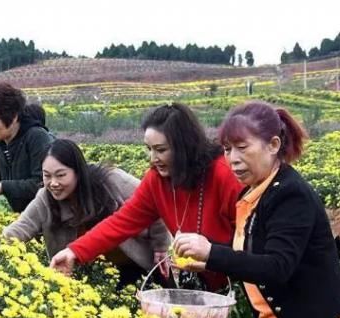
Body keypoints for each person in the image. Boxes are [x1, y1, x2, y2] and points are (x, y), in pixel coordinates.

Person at [172, 101, 340, 318]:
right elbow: (254, 253)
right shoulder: (254, 194)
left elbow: (277, 266)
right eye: (227, 149)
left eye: (242, 147)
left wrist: (212, 252)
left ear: (273, 145)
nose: (233, 159)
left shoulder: (290, 194)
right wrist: (207, 262)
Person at [50, 103, 241, 291]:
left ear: (185, 146)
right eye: (149, 149)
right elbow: (121, 222)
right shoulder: (157, 180)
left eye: (161, 150)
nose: (152, 158)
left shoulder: (224, 174)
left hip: (242, 283)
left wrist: (215, 258)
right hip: (204, 285)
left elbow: (253, 243)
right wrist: (74, 251)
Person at [3, 139, 168, 285]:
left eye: (61, 175)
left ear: (78, 172)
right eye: (47, 176)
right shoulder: (46, 198)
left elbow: (153, 203)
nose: (53, 183)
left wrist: (160, 246)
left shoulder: (111, 180)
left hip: (134, 265)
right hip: (86, 277)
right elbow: (21, 227)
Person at [0, 83, 53, 212]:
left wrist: (3, 187)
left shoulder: (36, 137)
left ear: (14, 116)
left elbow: (42, 183)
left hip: (45, 213)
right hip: (20, 214)